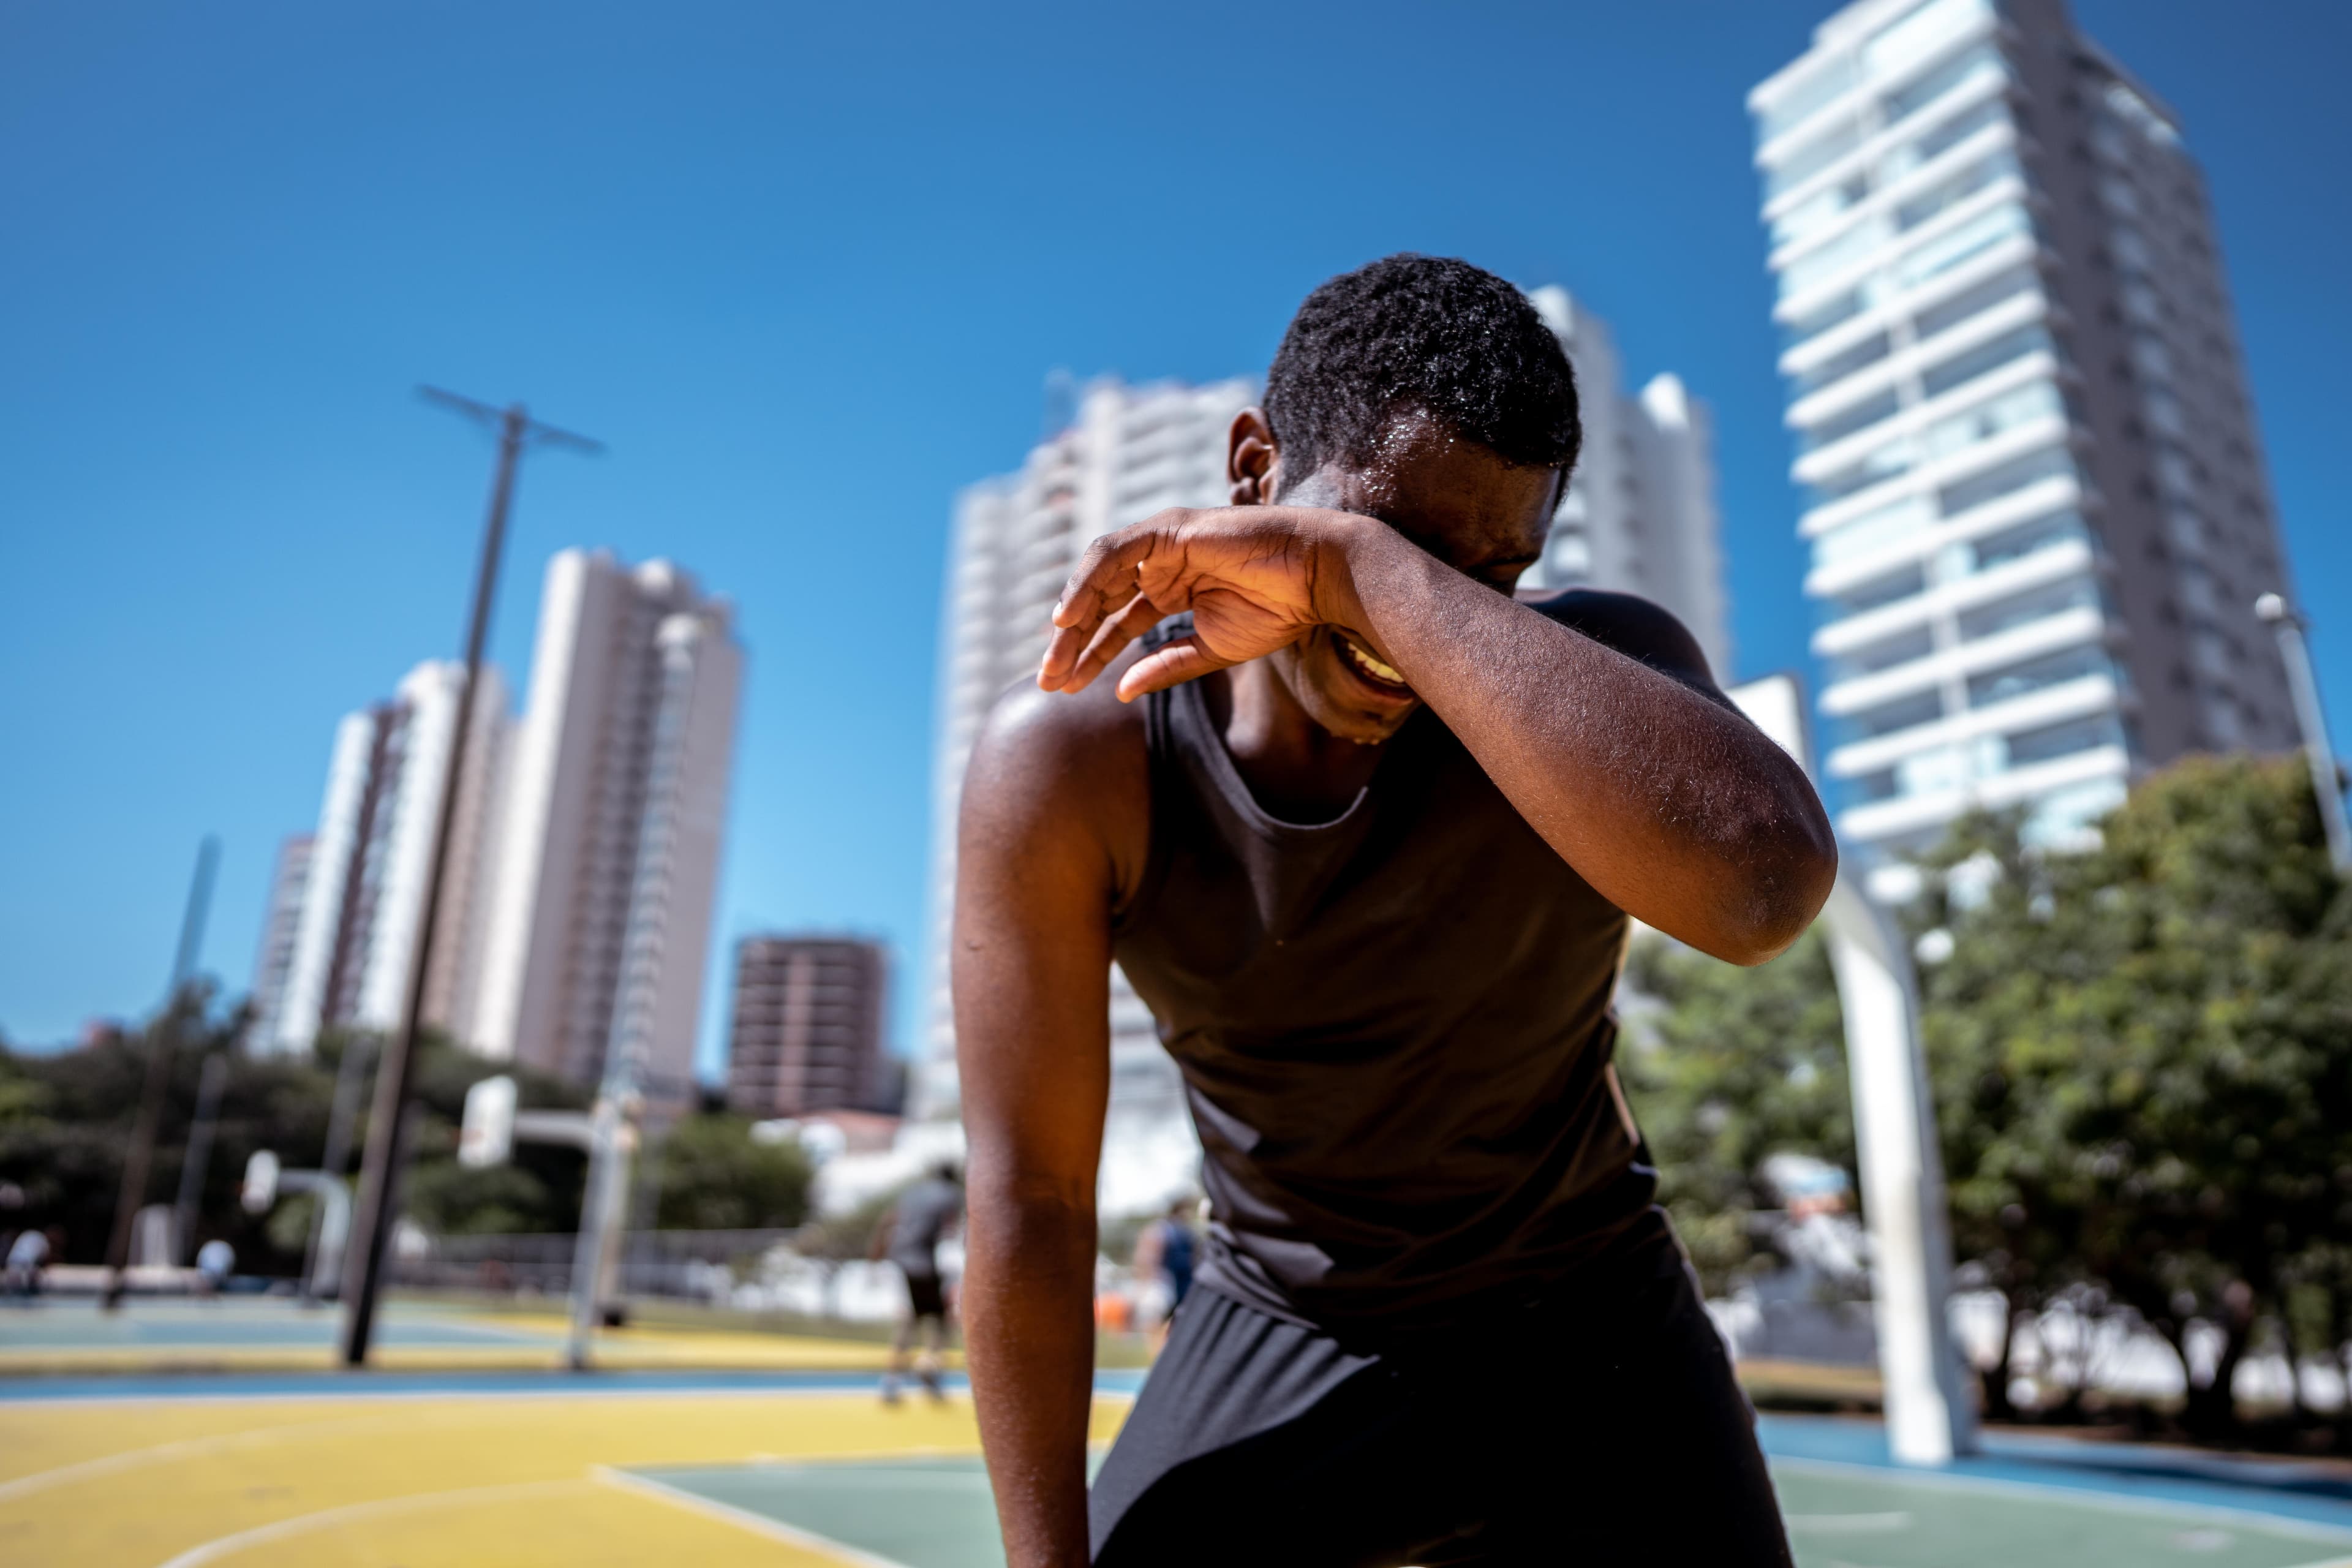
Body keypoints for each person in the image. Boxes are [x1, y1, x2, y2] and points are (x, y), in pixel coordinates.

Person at [954, 255, 1838, 1566]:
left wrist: (1362, 562)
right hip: (1285, 1319)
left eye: (1493, 571)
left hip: (1592, 1315)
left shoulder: (1597, 669)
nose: (1402, 639)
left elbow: (1762, 891)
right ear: (1254, 472)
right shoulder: (1079, 761)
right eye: (1397, 535)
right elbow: (1032, 1193)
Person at [872, 1159, 963, 1404]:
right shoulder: (951, 1195)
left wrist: (876, 1256)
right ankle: (929, 1364)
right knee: (940, 1320)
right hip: (927, 1262)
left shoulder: (912, 1193)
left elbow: (888, 1221)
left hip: (900, 1260)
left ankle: (892, 1381)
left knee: (909, 1321)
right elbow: (950, 1230)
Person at [1128, 1197, 1196, 1341]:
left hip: (1183, 1285)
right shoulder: (1161, 1230)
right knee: (1155, 1319)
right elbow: (1146, 1259)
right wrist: (1144, 1284)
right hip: (1162, 1283)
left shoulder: (1187, 1232)